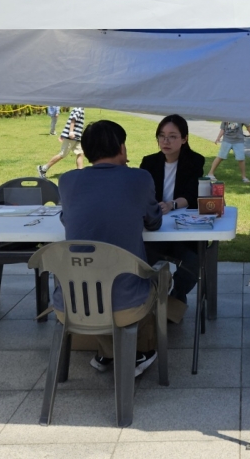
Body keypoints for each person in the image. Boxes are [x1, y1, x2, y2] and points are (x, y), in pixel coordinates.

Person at [54, 119, 172, 376]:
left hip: (71, 304)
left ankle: (108, 351)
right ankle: (139, 350)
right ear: (121, 147)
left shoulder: (68, 181)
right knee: (160, 275)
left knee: (97, 278)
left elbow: (67, 217)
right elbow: (153, 222)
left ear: (86, 151)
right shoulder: (139, 178)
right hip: (124, 304)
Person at [140, 114, 207, 323]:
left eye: (172, 136)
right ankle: (150, 299)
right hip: (155, 227)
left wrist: (172, 204)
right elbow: (142, 194)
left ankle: (176, 296)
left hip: (182, 229)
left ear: (184, 139)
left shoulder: (195, 161)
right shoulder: (149, 162)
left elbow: (192, 194)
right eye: (161, 136)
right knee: (141, 258)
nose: (165, 141)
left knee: (194, 262)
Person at [38, 106, 85, 177]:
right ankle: (43, 168)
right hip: (71, 137)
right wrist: (71, 132)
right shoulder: (78, 108)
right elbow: (73, 120)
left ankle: (80, 174)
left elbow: (70, 121)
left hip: (77, 137)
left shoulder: (81, 108)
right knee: (62, 154)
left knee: (80, 153)